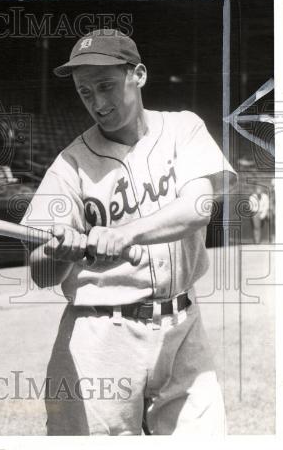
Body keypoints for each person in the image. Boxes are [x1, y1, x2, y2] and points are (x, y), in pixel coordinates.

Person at [21, 29, 236, 435]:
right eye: (86, 92)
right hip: (102, 333)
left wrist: (125, 233)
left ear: (138, 74)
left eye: (106, 86)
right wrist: (59, 255)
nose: (98, 103)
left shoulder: (183, 130)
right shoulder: (69, 166)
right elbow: (40, 273)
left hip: (182, 325)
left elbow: (199, 207)